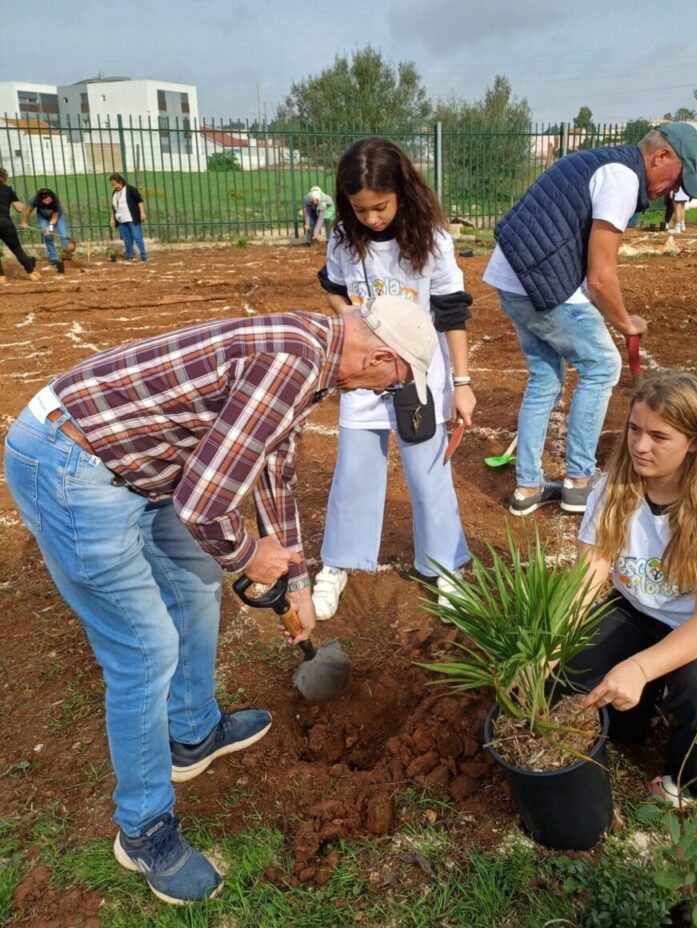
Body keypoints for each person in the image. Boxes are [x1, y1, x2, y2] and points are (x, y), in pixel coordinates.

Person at [3, 295, 437, 905]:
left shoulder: (315, 353)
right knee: (144, 650)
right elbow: (205, 506)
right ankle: (144, 831)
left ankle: (192, 733)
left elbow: (274, 476)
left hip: (138, 461)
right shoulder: (293, 363)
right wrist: (248, 557)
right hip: (73, 462)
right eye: (396, 381)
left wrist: (296, 583)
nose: (390, 392)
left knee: (196, 580)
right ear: (381, 357)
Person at [483, 122, 697, 517]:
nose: (673, 191)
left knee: (545, 377)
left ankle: (528, 487)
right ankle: (579, 483)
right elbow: (600, 277)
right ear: (662, 156)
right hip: (539, 279)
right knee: (602, 365)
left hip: (511, 274)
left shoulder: (606, 165)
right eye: (676, 179)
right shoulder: (621, 178)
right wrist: (625, 322)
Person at [565, 370, 697, 806]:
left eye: (659, 436)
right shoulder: (613, 487)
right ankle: (641, 710)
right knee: (570, 675)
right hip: (636, 610)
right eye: (635, 429)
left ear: (693, 442)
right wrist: (552, 641)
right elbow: (589, 575)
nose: (640, 445)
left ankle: (687, 778)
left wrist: (638, 667)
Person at [311, 136, 475, 621]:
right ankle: (337, 565)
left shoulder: (433, 240)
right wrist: (358, 328)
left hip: (419, 374)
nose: (372, 219)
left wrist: (461, 383)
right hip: (364, 373)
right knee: (354, 472)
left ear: (402, 191)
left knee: (428, 476)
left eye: (380, 207)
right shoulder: (343, 239)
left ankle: (446, 568)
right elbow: (333, 291)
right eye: (360, 210)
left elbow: (451, 313)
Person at [0, 168, 40, 283]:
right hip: (5, 222)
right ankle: (31, 272)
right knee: (17, 248)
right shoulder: (7, 189)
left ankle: (1, 278)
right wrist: (13, 200)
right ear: (3, 178)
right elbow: (19, 208)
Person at [22, 187, 71, 267]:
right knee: (47, 235)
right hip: (43, 217)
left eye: (49, 200)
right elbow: (28, 211)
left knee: (63, 235)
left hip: (57, 217)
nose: (47, 202)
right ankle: (54, 258)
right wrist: (24, 222)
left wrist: (50, 227)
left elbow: (54, 217)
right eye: (45, 200)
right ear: (40, 199)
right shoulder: (35, 200)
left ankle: (66, 256)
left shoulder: (55, 201)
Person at [109, 172, 147, 261]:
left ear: (120, 182)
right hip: (121, 220)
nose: (114, 187)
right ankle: (130, 256)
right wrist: (112, 218)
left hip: (132, 218)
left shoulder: (130, 189)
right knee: (127, 239)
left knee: (137, 237)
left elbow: (140, 201)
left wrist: (142, 213)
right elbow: (113, 207)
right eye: (112, 185)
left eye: (115, 184)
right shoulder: (114, 193)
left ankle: (143, 256)